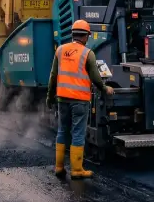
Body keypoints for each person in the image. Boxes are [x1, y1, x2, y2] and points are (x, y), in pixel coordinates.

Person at [45, 19, 114, 179]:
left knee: (62, 130)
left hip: (62, 99)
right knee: (77, 133)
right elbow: (97, 79)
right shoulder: (88, 54)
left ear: (73, 34)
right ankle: (76, 170)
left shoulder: (60, 51)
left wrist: (50, 96)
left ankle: (59, 167)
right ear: (86, 36)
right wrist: (105, 89)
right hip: (79, 101)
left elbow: (53, 76)